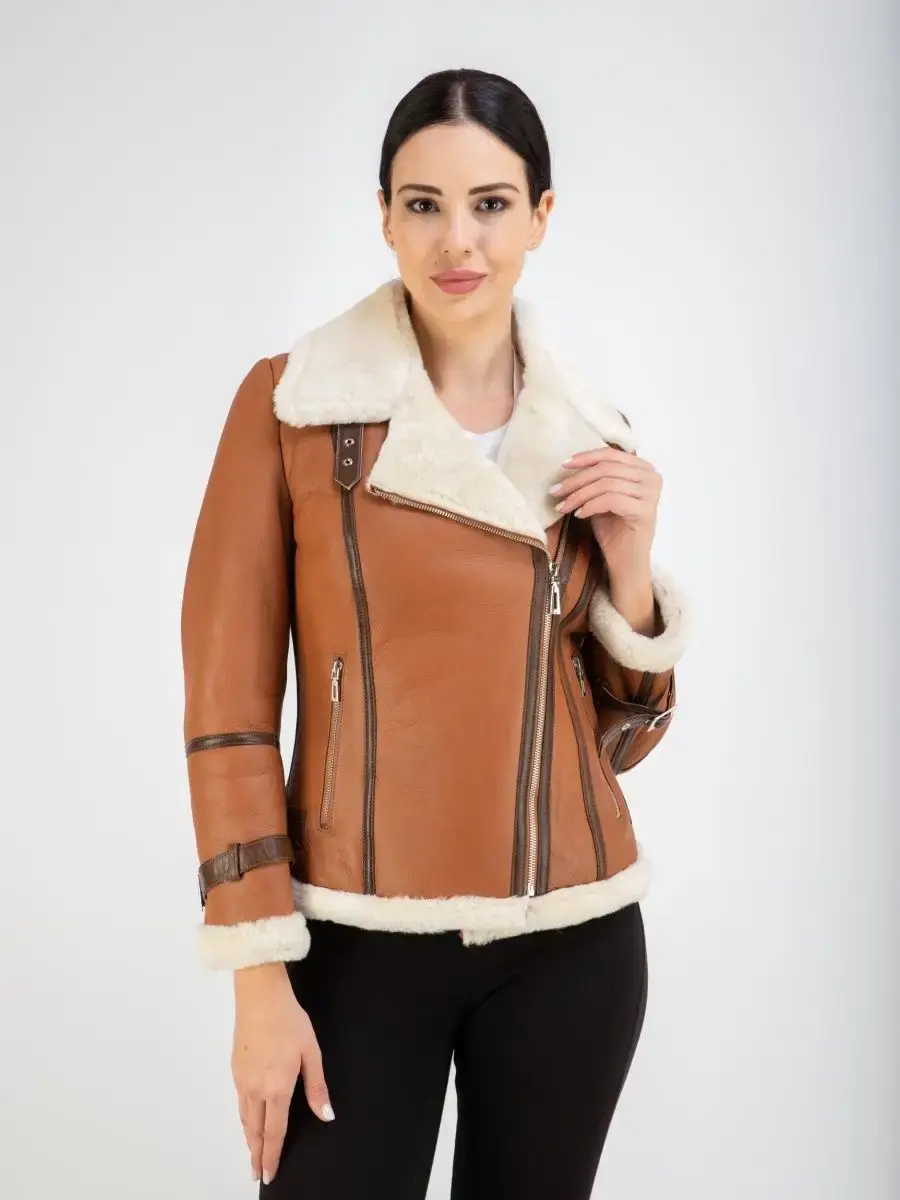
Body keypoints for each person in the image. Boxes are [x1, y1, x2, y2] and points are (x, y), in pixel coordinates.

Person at [180, 66, 691, 1200]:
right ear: (384, 216)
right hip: (354, 941)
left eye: (491, 204)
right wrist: (257, 977)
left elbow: (616, 742)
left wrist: (631, 569)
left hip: (573, 944)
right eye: (423, 204)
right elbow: (227, 714)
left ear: (541, 216)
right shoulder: (293, 408)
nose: (458, 239)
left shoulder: (589, 434)